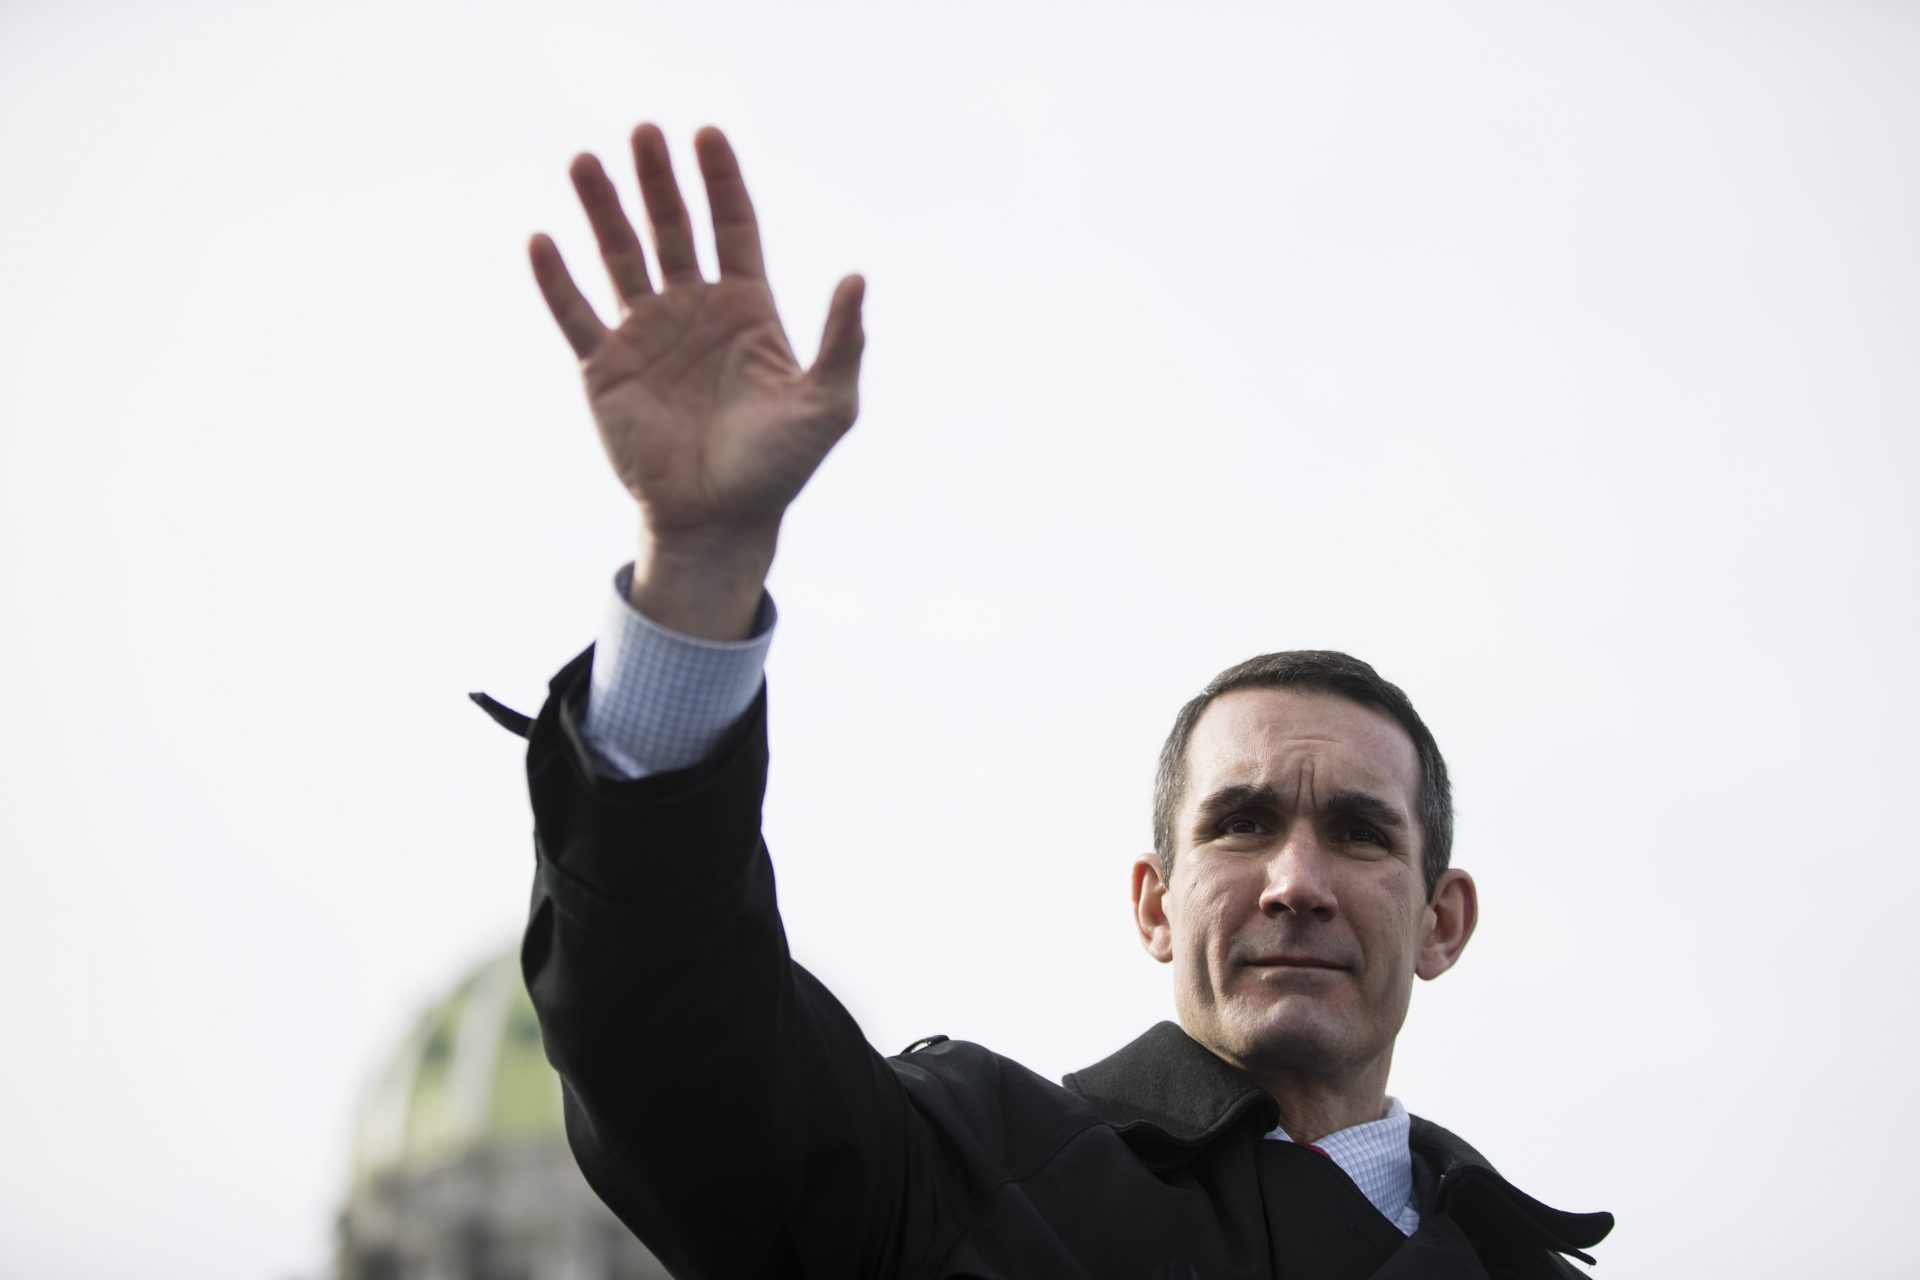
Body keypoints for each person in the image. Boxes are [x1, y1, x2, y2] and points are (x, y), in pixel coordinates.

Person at [483, 121, 1614, 1279]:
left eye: (1363, 833)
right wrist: (701, 568)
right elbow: (681, 1059)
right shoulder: (958, 1172)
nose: (1296, 883)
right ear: (1153, 902)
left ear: (1443, 919)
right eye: (1240, 822)